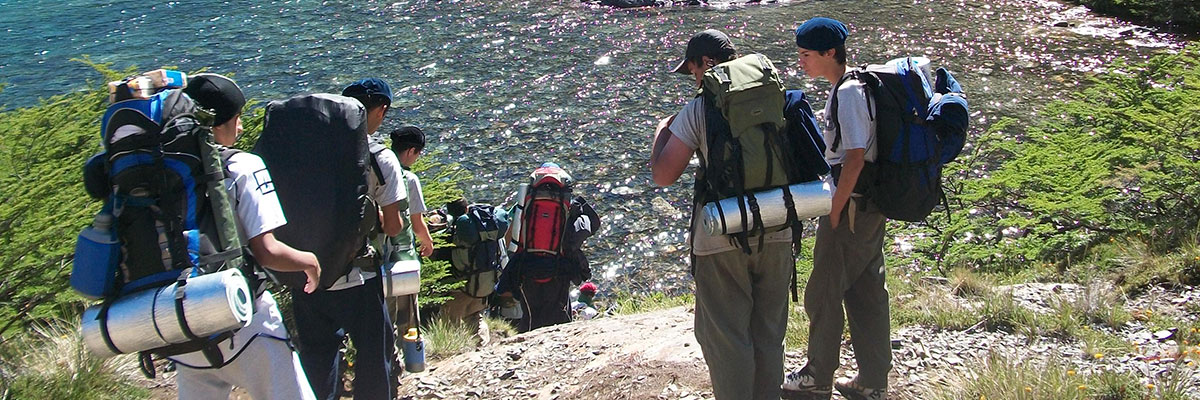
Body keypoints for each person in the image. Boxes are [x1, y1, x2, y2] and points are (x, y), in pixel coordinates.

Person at [648, 29, 795, 400]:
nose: (695, 78)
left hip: (722, 235)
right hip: (778, 223)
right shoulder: (775, 94)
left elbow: (663, 175)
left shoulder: (700, 108)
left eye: (693, 69)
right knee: (769, 333)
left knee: (728, 337)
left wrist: (660, 132)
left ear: (703, 63)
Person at [171, 73, 320, 400]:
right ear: (217, 123)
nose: (239, 128)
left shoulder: (168, 174)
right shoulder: (243, 166)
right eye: (236, 118)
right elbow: (268, 252)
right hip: (241, 318)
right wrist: (309, 262)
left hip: (180, 323)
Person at [780, 17, 890, 400]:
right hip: (870, 205)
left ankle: (817, 376)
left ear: (831, 53)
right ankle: (873, 381)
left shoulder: (847, 94)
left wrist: (835, 210)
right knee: (866, 290)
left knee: (824, 291)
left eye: (807, 55)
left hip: (853, 206)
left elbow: (855, 158)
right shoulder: (857, 85)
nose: (802, 63)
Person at [289, 78, 402, 400]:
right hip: (357, 277)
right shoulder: (380, 157)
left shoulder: (308, 150)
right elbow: (393, 227)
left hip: (305, 274)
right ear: (381, 110)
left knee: (317, 357)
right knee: (372, 357)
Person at [496, 162, 600, 332]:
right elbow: (577, 236)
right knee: (560, 315)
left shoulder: (522, 206)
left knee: (530, 315)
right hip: (558, 268)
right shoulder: (567, 205)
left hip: (527, 268)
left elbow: (510, 240)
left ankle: (528, 345)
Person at [441, 197, 509, 345]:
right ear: (466, 209)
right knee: (475, 318)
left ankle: (454, 355)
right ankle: (483, 352)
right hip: (484, 287)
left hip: (460, 289)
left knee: (449, 324)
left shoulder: (454, 234)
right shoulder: (488, 233)